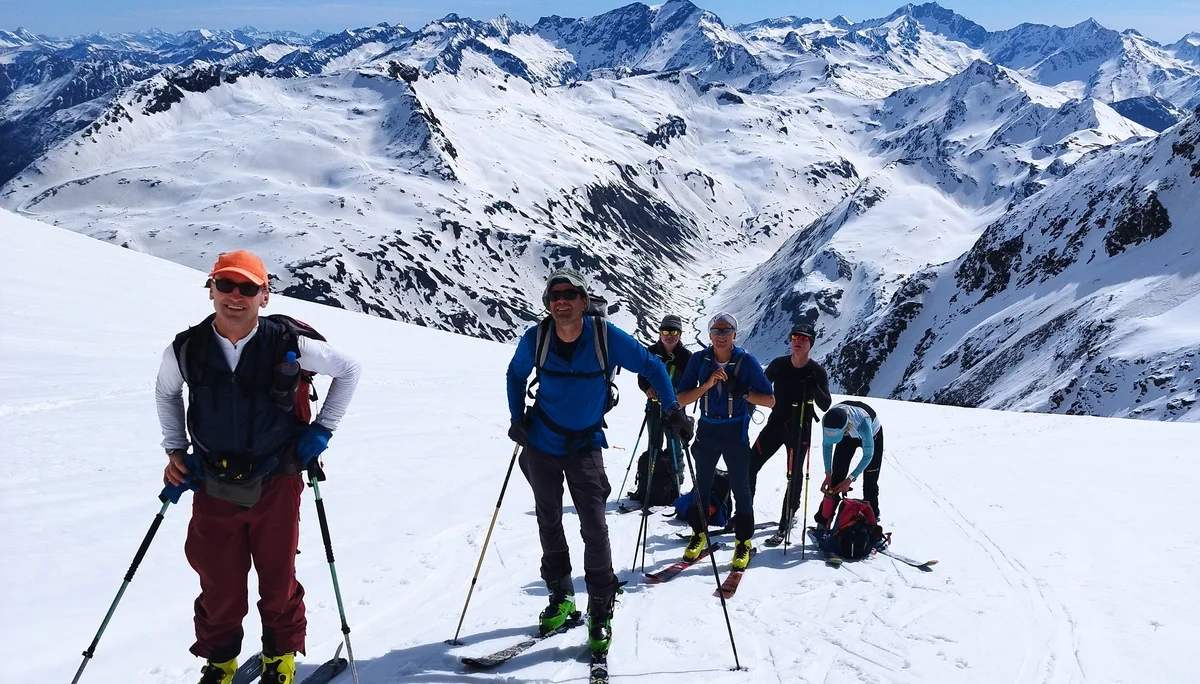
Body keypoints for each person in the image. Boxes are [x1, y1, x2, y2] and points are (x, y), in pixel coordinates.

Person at [156, 250, 361, 684]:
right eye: (226, 285)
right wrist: (175, 450)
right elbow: (166, 393)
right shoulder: (186, 349)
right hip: (212, 482)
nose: (236, 296)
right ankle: (221, 663)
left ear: (264, 296)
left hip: (276, 480)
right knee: (218, 582)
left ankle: (280, 660)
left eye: (248, 287)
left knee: (277, 577)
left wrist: (323, 430)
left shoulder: (289, 344)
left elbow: (350, 369)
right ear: (210, 289)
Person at [505, 268, 691, 655]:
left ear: (583, 301)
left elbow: (653, 366)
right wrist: (516, 418)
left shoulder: (605, 336)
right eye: (554, 295)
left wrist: (672, 408)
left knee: (594, 526)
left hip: (585, 443)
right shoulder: (537, 337)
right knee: (548, 520)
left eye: (568, 294)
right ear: (547, 303)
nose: (560, 301)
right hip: (541, 442)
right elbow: (515, 374)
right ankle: (561, 598)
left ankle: (600, 608)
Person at [675, 312, 774, 571]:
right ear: (709, 335)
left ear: (734, 334)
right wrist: (706, 385)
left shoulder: (747, 362)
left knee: (741, 487)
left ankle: (743, 540)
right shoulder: (700, 360)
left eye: (726, 330)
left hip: (735, 431)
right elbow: (682, 399)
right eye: (716, 331)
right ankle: (699, 533)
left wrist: (744, 393)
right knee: (702, 485)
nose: (721, 335)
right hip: (707, 429)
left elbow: (770, 400)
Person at [748, 323, 831, 544]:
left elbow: (826, 405)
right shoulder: (778, 365)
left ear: (811, 343)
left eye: (804, 338)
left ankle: (787, 520)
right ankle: (744, 514)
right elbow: (760, 388)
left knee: (793, 477)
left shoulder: (817, 372)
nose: (798, 340)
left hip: (799, 431)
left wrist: (814, 387)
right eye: (795, 336)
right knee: (750, 464)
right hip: (775, 426)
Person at [629, 314, 694, 501]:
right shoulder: (650, 352)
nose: (669, 335)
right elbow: (642, 375)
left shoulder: (686, 357)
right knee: (654, 443)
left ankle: (675, 485)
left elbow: (690, 381)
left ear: (680, 334)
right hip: (654, 407)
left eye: (673, 331)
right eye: (665, 331)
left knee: (675, 445)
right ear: (659, 333)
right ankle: (653, 483)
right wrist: (646, 388)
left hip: (676, 409)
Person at [815, 400, 883, 530]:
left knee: (870, 481)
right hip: (846, 435)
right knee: (835, 480)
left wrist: (850, 479)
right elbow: (827, 445)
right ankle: (823, 520)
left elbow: (868, 455)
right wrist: (827, 474)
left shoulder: (864, 424)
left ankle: (872, 520)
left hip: (873, 435)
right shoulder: (829, 420)